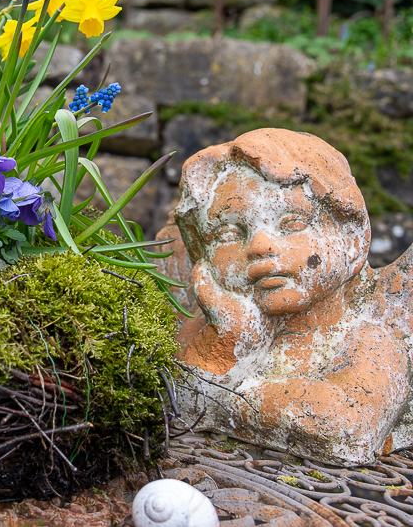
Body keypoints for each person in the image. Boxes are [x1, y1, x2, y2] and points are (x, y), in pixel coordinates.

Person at [173, 127, 412, 465]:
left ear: (353, 241)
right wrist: (230, 339)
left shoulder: (367, 342)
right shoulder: (203, 331)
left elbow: (343, 429)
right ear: (202, 254)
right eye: (227, 232)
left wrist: (216, 399)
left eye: (292, 223)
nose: (259, 247)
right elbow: (166, 396)